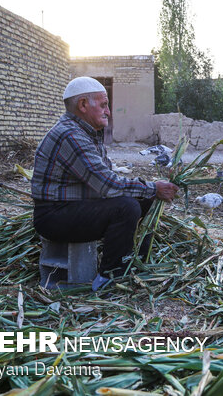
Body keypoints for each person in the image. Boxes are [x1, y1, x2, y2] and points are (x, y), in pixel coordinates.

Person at [31, 77, 179, 291]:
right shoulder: (70, 135)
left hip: (74, 207)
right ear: (83, 105)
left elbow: (107, 178)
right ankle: (110, 277)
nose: (108, 111)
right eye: (103, 105)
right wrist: (153, 188)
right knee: (127, 207)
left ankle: (137, 261)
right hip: (53, 216)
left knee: (142, 199)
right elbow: (107, 185)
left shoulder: (87, 134)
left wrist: (149, 192)